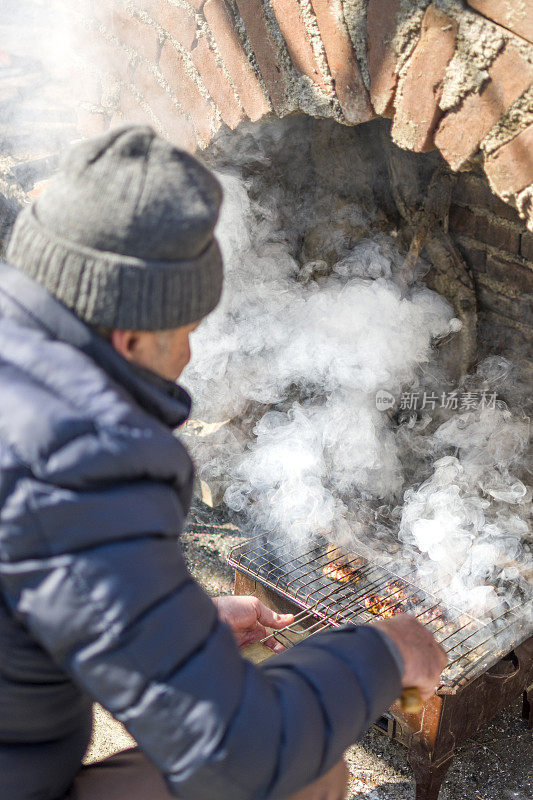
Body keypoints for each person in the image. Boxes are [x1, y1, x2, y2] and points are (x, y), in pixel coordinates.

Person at [0, 125, 447, 800]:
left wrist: (177, 619)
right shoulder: (78, 460)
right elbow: (237, 753)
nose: (187, 356)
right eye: (185, 330)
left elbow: (40, 583)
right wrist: (385, 652)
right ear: (131, 335)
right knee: (307, 771)